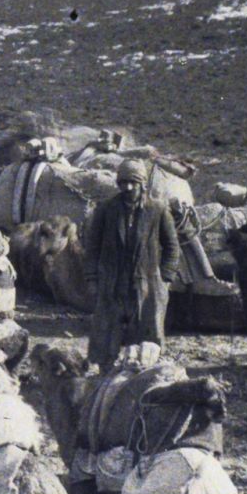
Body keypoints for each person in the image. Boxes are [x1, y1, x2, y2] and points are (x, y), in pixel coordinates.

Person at [81, 156, 182, 369]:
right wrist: (92, 278)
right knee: (107, 334)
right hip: (112, 282)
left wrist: (165, 278)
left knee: (147, 335)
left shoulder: (157, 210)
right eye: (123, 182)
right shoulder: (106, 210)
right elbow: (92, 248)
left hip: (147, 283)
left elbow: (172, 246)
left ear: (142, 184)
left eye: (133, 182)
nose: (128, 187)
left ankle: (143, 374)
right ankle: (105, 372)